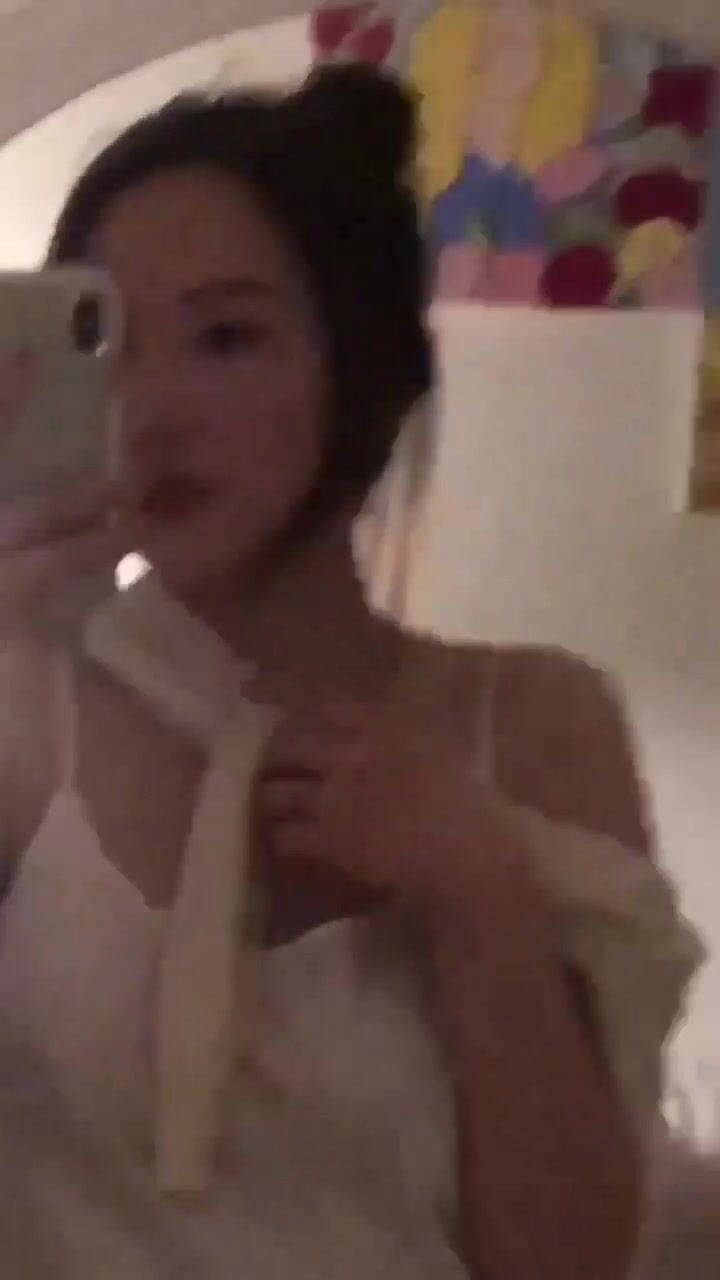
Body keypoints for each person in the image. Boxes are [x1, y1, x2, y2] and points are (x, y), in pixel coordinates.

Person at [0, 63, 703, 1279]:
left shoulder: (531, 721)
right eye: (106, 339)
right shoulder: (26, 700)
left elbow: (566, 1263)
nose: (152, 410)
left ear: (361, 365)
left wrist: (479, 892)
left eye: (227, 336)